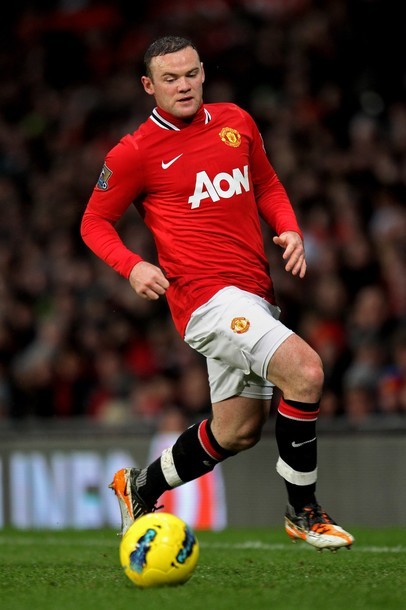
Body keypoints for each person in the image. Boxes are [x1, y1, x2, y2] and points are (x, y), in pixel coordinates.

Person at [80, 35, 354, 551]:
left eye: (191, 74)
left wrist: (289, 228)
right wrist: (132, 266)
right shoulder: (134, 151)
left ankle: (140, 487)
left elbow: (266, 184)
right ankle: (303, 511)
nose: (183, 86)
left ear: (203, 72)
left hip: (254, 292)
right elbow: (94, 222)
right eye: (170, 78)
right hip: (205, 301)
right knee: (306, 371)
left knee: (237, 431)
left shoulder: (236, 121)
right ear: (148, 86)